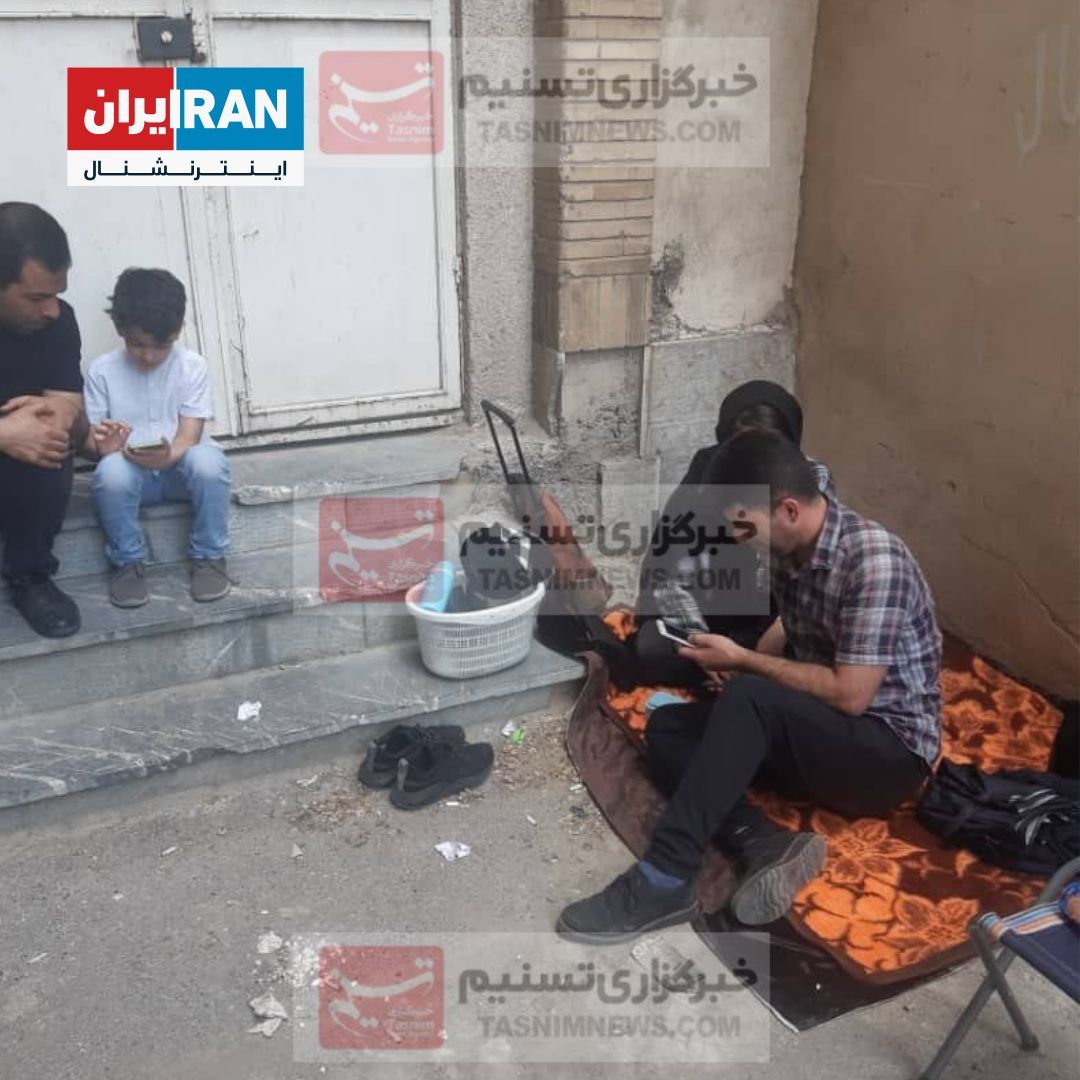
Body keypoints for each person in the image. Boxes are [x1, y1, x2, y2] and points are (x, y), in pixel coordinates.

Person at [558, 431, 942, 942]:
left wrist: (747, 664)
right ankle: (761, 840)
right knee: (670, 726)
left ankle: (665, 877)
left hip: (885, 757)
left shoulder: (875, 562)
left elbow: (852, 695)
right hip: (824, 732)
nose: (738, 537)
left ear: (789, 510)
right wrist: (748, 661)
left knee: (748, 699)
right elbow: (794, 621)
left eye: (743, 523)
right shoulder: (792, 542)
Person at [633, 381, 835, 687]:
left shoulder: (808, 479)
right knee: (652, 648)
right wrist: (699, 643)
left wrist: (777, 632)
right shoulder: (706, 476)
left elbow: (818, 576)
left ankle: (750, 681)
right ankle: (730, 679)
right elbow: (670, 571)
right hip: (709, 614)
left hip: (778, 620)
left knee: (810, 654)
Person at [82, 268, 232, 608]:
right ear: (119, 328)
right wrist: (104, 448)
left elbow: (189, 437)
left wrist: (167, 457)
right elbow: (93, 439)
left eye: (161, 346)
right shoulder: (102, 371)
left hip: (179, 471)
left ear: (178, 331)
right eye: (137, 344)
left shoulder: (192, 366)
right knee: (110, 472)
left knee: (209, 462)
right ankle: (127, 562)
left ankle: (209, 556)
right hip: (134, 478)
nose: (148, 356)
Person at [0, 203, 85, 638]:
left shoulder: (59, 323)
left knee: (49, 441)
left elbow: (67, 402)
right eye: (37, 298)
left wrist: (60, 414)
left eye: (57, 293)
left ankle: (30, 575)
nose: (52, 309)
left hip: (17, 472)